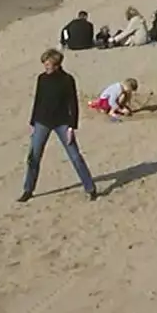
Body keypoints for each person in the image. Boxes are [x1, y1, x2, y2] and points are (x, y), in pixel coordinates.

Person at [18, 49, 96, 203]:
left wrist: (71, 127)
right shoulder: (41, 79)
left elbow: (73, 104)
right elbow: (38, 101)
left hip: (62, 123)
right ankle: (28, 190)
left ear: (57, 64)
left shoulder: (67, 80)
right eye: (44, 65)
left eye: (48, 65)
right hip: (42, 122)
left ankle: (90, 188)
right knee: (33, 157)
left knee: (75, 156)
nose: (46, 68)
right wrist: (33, 122)